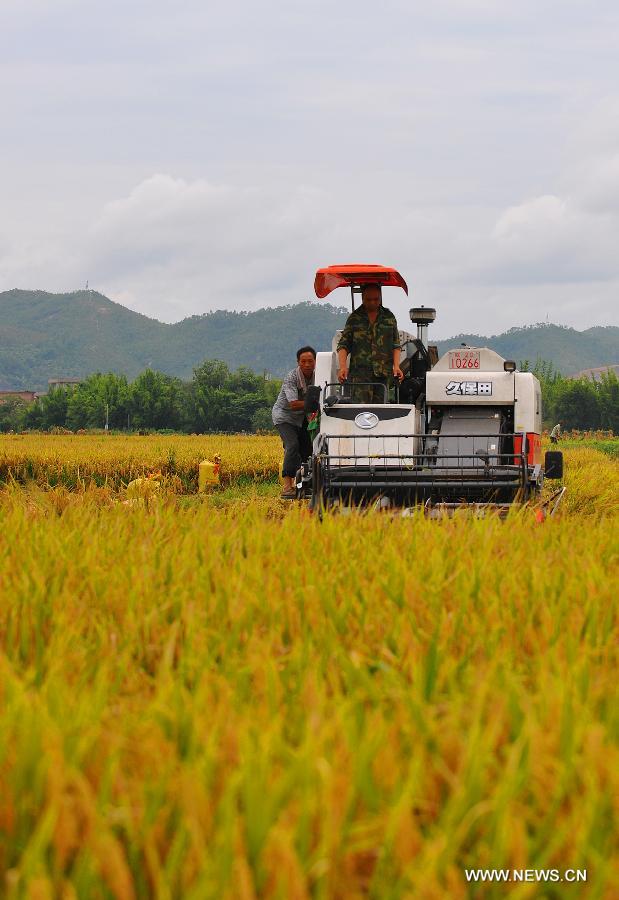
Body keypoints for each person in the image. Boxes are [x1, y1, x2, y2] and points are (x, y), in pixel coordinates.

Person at [336, 283, 403, 403]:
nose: (372, 303)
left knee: (381, 412)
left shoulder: (389, 317)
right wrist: (342, 367)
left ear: (380, 297)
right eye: (368, 299)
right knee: (360, 412)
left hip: (382, 376)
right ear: (362, 298)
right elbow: (343, 345)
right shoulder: (354, 318)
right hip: (360, 377)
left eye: (376, 299)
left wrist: (396, 366)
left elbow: (396, 345)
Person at [272, 346, 316, 498]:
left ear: (316, 362)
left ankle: (303, 485)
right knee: (292, 446)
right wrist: (315, 403)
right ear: (298, 362)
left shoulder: (318, 375)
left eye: (310, 361)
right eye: (303, 361)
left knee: (309, 450)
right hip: (284, 417)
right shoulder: (291, 377)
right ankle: (287, 487)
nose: (307, 364)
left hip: (302, 418)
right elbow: (293, 404)